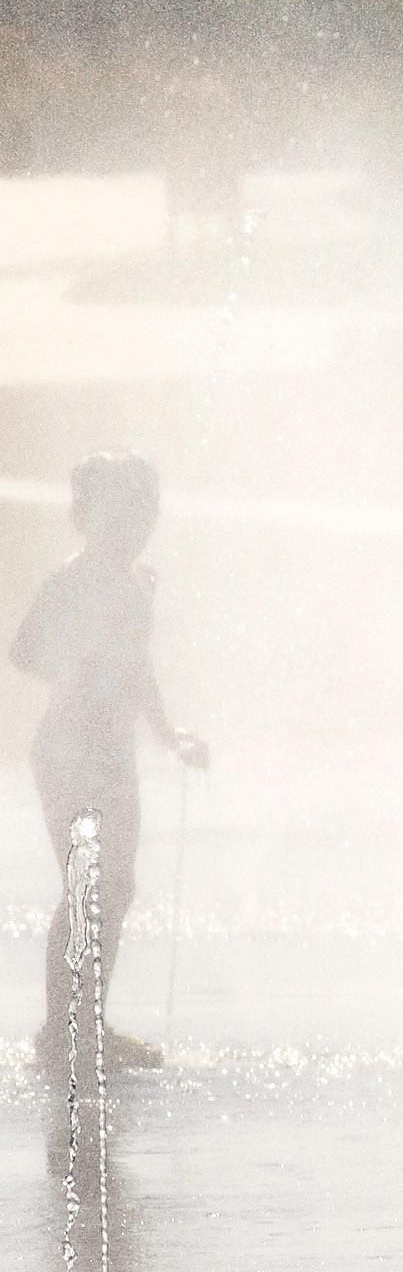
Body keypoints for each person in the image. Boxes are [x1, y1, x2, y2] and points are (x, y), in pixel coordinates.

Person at [12, 451, 208, 1066]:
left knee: (116, 887)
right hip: (69, 748)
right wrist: (78, 676)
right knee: (86, 886)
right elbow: (22, 650)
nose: (132, 526)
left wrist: (168, 732)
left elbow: (138, 668)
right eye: (117, 513)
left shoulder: (137, 582)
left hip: (113, 750)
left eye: (141, 513)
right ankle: (57, 1032)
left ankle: (88, 1025)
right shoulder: (72, 580)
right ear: (85, 517)